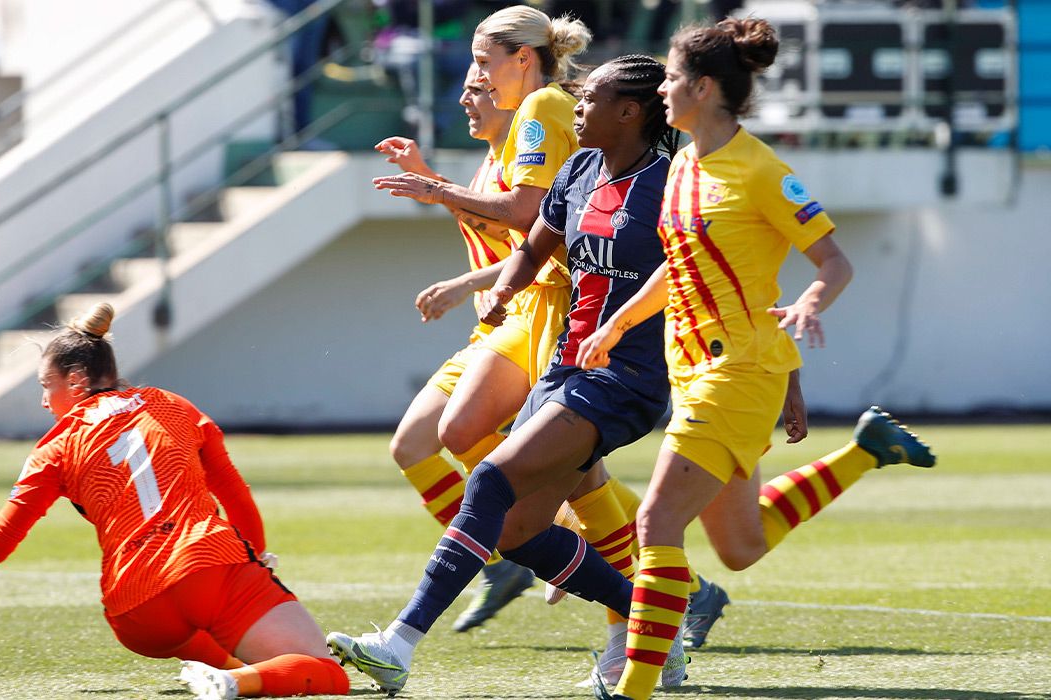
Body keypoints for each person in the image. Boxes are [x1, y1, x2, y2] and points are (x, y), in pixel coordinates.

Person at [575, 19, 936, 700]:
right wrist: (619, 322)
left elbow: (834, 260)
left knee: (655, 524)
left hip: (737, 372)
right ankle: (867, 449)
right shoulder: (682, 163)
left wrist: (809, 306)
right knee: (740, 547)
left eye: (673, 77)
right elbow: (679, 268)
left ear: (704, 87)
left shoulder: (764, 171)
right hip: (697, 371)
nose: (664, 88)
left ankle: (637, 689)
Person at [327, 53, 692, 695]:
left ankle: (399, 643)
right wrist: (502, 290)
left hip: (626, 377)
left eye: (589, 102)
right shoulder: (579, 168)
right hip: (564, 367)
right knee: (522, 532)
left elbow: (703, 271)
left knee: (490, 476)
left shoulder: (671, 184)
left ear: (630, 112)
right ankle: (654, 621)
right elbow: (536, 243)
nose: (576, 110)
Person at [374, 5, 654, 638]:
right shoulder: (535, 118)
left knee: (495, 452)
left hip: (554, 309)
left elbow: (527, 217)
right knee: (478, 449)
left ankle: (630, 592)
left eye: (482, 64)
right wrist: (436, 186)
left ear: (521, 58)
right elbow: (524, 222)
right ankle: (626, 590)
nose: (474, 82)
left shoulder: (542, 110)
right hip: (525, 307)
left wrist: (437, 192)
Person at [0, 303, 348, 699]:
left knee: (216, 640)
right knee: (326, 673)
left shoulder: (56, 446)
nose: (44, 401)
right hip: (208, 565)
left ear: (77, 380)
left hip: (137, 613)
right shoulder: (171, 404)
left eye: (46, 386)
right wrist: (254, 554)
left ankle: (222, 668)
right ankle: (235, 682)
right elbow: (235, 493)